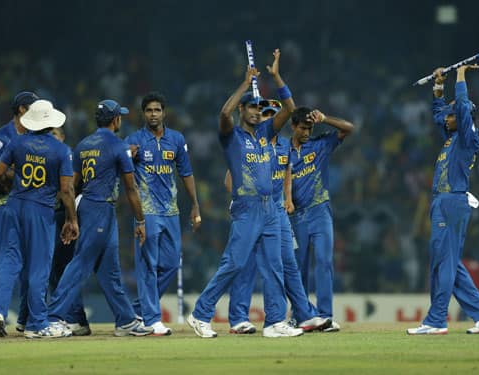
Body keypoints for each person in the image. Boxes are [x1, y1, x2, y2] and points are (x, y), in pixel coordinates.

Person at [187, 49, 303, 338]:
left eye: (258, 107)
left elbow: (289, 109)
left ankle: (276, 322)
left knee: (274, 266)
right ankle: (200, 315)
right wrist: (244, 83)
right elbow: (224, 113)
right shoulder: (232, 137)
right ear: (243, 110)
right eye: (250, 107)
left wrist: (276, 77)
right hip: (246, 208)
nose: (255, 111)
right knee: (235, 263)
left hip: (270, 208)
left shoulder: (265, 133)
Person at [407, 65, 479, 335]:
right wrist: (438, 85)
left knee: (443, 262)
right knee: (447, 261)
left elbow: (459, 106)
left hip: (451, 201)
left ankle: (436, 321)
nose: (445, 119)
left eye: (451, 116)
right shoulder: (453, 138)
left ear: (460, 116)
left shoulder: (467, 138)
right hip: (445, 202)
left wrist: (460, 76)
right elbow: (439, 114)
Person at [47, 99, 153, 337]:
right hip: (99, 207)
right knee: (81, 263)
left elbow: (72, 185)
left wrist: (71, 217)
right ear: (116, 120)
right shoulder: (118, 146)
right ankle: (53, 317)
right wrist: (141, 220)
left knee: (109, 269)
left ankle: (125, 320)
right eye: (120, 117)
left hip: (89, 206)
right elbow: (131, 188)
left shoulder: (83, 145)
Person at [226, 99, 331, 334]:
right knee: (247, 264)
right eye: (265, 113)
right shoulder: (249, 145)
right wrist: (240, 200)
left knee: (289, 264)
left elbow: (287, 173)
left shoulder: (283, 146)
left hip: (277, 212)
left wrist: (288, 198)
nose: (269, 117)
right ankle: (238, 318)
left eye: (273, 113)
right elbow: (230, 178)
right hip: (253, 211)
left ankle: (304, 314)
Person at [0, 99, 79, 338]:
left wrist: (16, 186)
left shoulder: (17, 142)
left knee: (9, 261)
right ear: (50, 122)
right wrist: (72, 219)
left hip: (14, 206)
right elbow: (67, 190)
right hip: (40, 210)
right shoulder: (61, 150)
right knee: (39, 267)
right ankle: (37, 324)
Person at [126, 92, 201, 336]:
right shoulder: (134, 140)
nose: (153, 114)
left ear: (164, 113)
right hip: (146, 211)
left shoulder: (176, 139)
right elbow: (122, 172)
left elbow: (186, 173)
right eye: (149, 110)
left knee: (170, 264)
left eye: (157, 110)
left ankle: (139, 310)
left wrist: (195, 205)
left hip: (170, 211)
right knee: (148, 265)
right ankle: (151, 319)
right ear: (143, 114)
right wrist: (128, 157)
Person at [0, 91, 39, 336]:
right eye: (33, 107)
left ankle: (24, 317)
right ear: (22, 109)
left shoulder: (32, 137)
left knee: (16, 262)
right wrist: (11, 175)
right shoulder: (3, 136)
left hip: (17, 206)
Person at [15, 127, 90, 336]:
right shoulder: (44, 156)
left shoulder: (67, 155)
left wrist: (71, 219)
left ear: (63, 137)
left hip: (63, 217)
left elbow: (71, 189)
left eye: (56, 135)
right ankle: (31, 318)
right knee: (45, 269)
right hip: (47, 216)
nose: (52, 139)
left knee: (63, 268)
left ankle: (74, 318)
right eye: (50, 135)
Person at [288, 106, 355, 332]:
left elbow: (349, 128)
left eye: (310, 128)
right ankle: (301, 315)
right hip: (297, 217)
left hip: (320, 212)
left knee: (325, 262)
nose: (307, 132)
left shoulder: (320, 145)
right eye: (303, 128)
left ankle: (325, 316)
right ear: (293, 126)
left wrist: (325, 118)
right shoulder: (282, 151)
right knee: (300, 268)